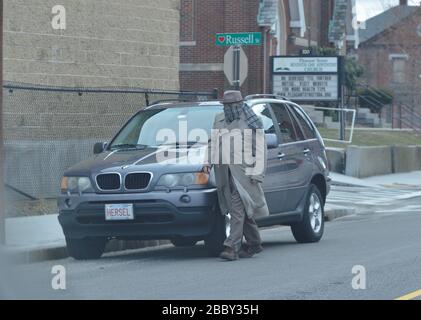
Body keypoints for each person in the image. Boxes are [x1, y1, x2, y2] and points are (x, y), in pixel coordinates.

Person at [204, 90, 269, 261]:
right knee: (240, 210)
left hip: (244, 174)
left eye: (231, 105)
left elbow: (261, 150)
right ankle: (254, 242)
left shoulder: (251, 120)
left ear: (239, 104)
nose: (228, 108)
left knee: (237, 209)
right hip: (224, 172)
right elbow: (213, 142)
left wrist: (258, 174)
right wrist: (207, 162)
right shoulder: (219, 119)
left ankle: (231, 247)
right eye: (226, 105)